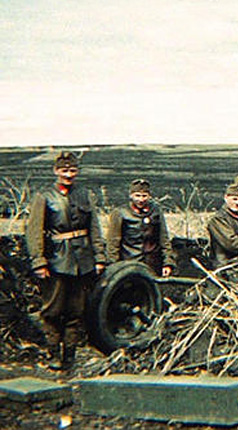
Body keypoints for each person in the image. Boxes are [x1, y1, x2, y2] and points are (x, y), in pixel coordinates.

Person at [25, 151, 106, 370]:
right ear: (55, 171)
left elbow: (94, 229)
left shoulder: (85, 195)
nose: (68, 175)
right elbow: (34, 232)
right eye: (64, 170)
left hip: (83, 261)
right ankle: (53, 354)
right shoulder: (45, 197)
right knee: (53, 310)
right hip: (57, 261)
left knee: (76, 311)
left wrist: (99, 257)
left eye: (72, 170)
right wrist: (39, 262)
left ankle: (69, 357)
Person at [106, 179, 175, 277]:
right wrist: (113, 266)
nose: (141, 200)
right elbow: (113, 242)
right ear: (131, 195)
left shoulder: (156, 211)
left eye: (144, 196)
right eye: (137, 195)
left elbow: (164, 239)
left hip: (153, 264)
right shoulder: (120, 213)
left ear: (149, 196)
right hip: (129, 264)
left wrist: (168, 263)